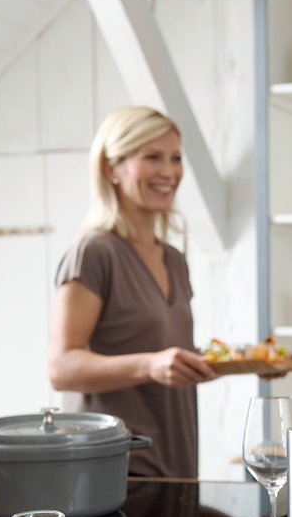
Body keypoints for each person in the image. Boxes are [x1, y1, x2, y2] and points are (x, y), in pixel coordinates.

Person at [48, 106, 216, 478]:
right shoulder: (94, 252)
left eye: (175, 158)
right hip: (114, 467)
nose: (169, 171)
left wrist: (249, 363)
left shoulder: (173, 258)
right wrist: (151, 364)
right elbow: (61, 368)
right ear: (111, 168)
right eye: (152, 157)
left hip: (176, 464)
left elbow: (170, 356)